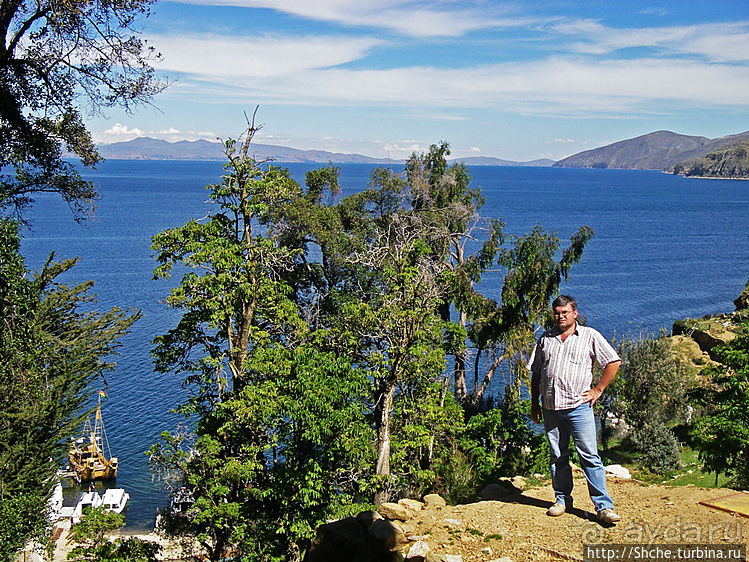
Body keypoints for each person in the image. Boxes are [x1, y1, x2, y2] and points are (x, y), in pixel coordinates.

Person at [528, 295, 622, 524]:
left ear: (575, 313)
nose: (560, 316)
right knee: (557, 456)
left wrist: (598, 390)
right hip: (551, 408)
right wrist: (534, 403)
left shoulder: (589, 336)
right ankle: (562, 500)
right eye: (557, 313)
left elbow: (613, 362)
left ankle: (603, 507)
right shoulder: (545, 339)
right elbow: (537, 373)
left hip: (578, 408)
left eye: (565, 312)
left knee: (589, 456)